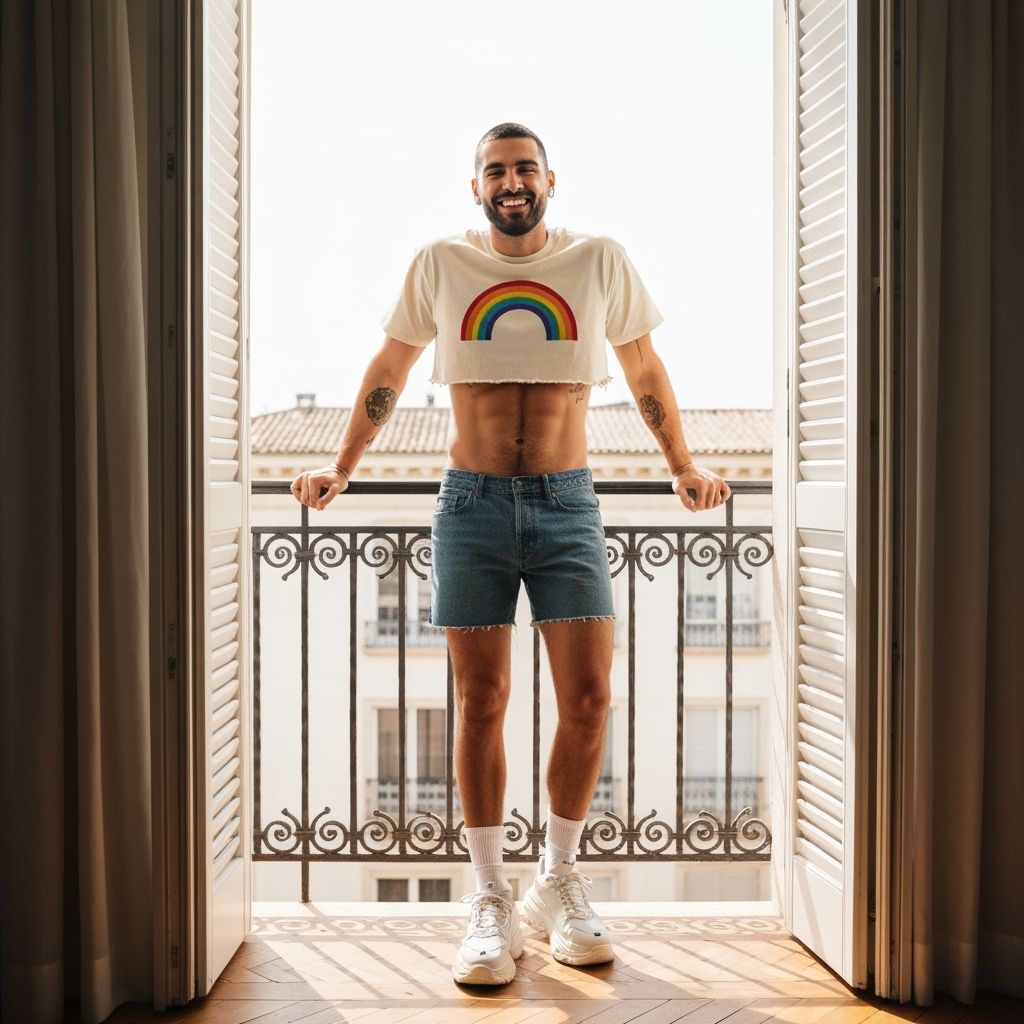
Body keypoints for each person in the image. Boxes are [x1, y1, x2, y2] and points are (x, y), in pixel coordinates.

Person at [291, 122, 731, 985]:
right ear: (477, 188)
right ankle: (490, 898)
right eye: (496, 170)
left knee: (591, 698)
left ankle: (556, 879)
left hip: (570, 502)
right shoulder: (441, 265)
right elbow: (389, 363)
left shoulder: (598, 261)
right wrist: (339, 469)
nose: (512, 180)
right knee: (481, 699)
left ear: (550, 178)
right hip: (472, 504)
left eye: (525, 167)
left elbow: (643, 368)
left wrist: (683, 468)